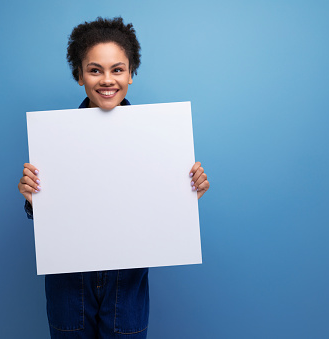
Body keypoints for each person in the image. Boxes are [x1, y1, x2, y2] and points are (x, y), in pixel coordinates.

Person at [18, 17, 210, 339]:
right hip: (70, 289)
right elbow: (56, 217)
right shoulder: (54, 141)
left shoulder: (158, 139)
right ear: (79, 75)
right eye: (95, 70)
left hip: (127, 289)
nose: (107, 80)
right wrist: (34, 200)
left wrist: (186, 195)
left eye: (117, 69)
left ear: (131, 73)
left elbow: (158, 216)